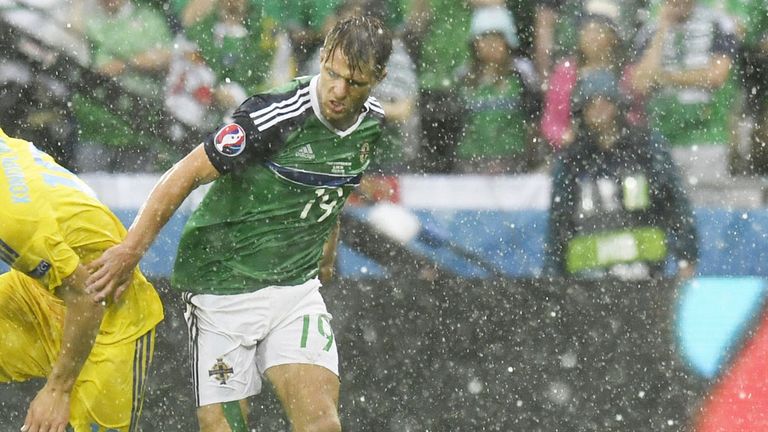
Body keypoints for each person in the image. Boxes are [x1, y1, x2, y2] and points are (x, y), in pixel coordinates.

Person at [86, 16, 392, 432]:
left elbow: (333, 188)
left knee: (322, 424)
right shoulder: (274, 115)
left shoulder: (372, 125)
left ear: (379, 77)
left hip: (293, 291)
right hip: (222, 285)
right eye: (332, 74)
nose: (339, 91)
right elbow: (185, 173)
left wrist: (327, 249)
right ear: (322, 58)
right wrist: (130, 251)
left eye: (354, 83)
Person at [0, 128, 164, 431]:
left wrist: (57, 390)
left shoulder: (11, 222)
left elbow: (88, 296)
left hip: (107, 310)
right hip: (43, 287)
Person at [544, 69, 698, 280]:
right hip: (585, 281)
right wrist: (553, 276)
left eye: (605, 102)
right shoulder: (572, 161)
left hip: (644, 275)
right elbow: (558, 223)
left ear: (618, 106)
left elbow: (676, 205)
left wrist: (686, 257)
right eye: (591, 104)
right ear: (582, 112)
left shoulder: (648, 150)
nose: (599, 110)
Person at [629, 0, 739, 185]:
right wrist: (662, 29)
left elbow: (715, 76)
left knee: (707, 206)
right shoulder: (650, 28)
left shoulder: (717, 23)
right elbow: (640, 83)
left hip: (707, 137)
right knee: (666, 205)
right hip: (663, 138)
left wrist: (665, 78)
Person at [454, 4, 540, 174]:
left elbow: (533, 118)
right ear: (475, 43)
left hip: (513, 157)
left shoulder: (522, 75)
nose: (490, 45)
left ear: (507, 42)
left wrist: (532, 156)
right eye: (484, 39)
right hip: (470, 159)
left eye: (496, 38)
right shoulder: (463, 77)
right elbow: (456, 121)